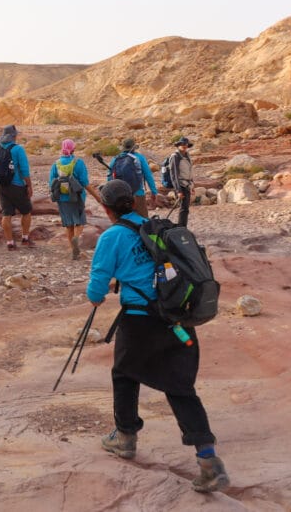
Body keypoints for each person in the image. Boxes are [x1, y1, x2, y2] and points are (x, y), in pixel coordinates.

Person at [87, 179, 229, 494]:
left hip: (139, 323)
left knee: (124, 374)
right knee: (181, 388)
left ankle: (125, 438)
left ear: (106, 208)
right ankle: (209, 462)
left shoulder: (112, 236)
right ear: (134, 202)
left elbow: (96, 288)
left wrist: (100, 295)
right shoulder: (157, 229)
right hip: (177, 318)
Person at [48, 139, 100, 259]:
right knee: (80, 222)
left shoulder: (56, 164)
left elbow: (51, 183)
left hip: (62, 198)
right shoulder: (78, 163)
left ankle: (73, 250)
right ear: (73, 149)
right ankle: (76, 238)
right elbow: (85, 183)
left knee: (68, 224)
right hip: (77, 197)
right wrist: (97, 196)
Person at [0, 125, 34, 249]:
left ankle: (10, 243)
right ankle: (25, 238)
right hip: (17, 185)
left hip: (1, 186)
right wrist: (29, 186)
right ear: (13, 136)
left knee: (6, 214)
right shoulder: (18, 149)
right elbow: (24, 170)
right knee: (26, 211)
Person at [107, 138, 159, 218]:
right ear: (134, 147)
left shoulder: (115, 159)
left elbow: (109, 178)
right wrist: (154, 192)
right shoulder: (140, 158)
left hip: (121, 195)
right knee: (143, 220)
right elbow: (148, 175)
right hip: (138, 194)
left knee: (125, 221)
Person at [165, 137, 195, 227]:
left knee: (185, 208)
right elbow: (174, 175)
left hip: (187, 185)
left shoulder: (187, 155)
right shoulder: (175, 157)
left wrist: (192, 186)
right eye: (182, 144)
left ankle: (182, 227)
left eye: (185, 144)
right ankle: (182, 227)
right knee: (183, 208)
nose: (184, 146)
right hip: (181, 185)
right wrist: (178, 191)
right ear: (178, 145)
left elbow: (190, 171)